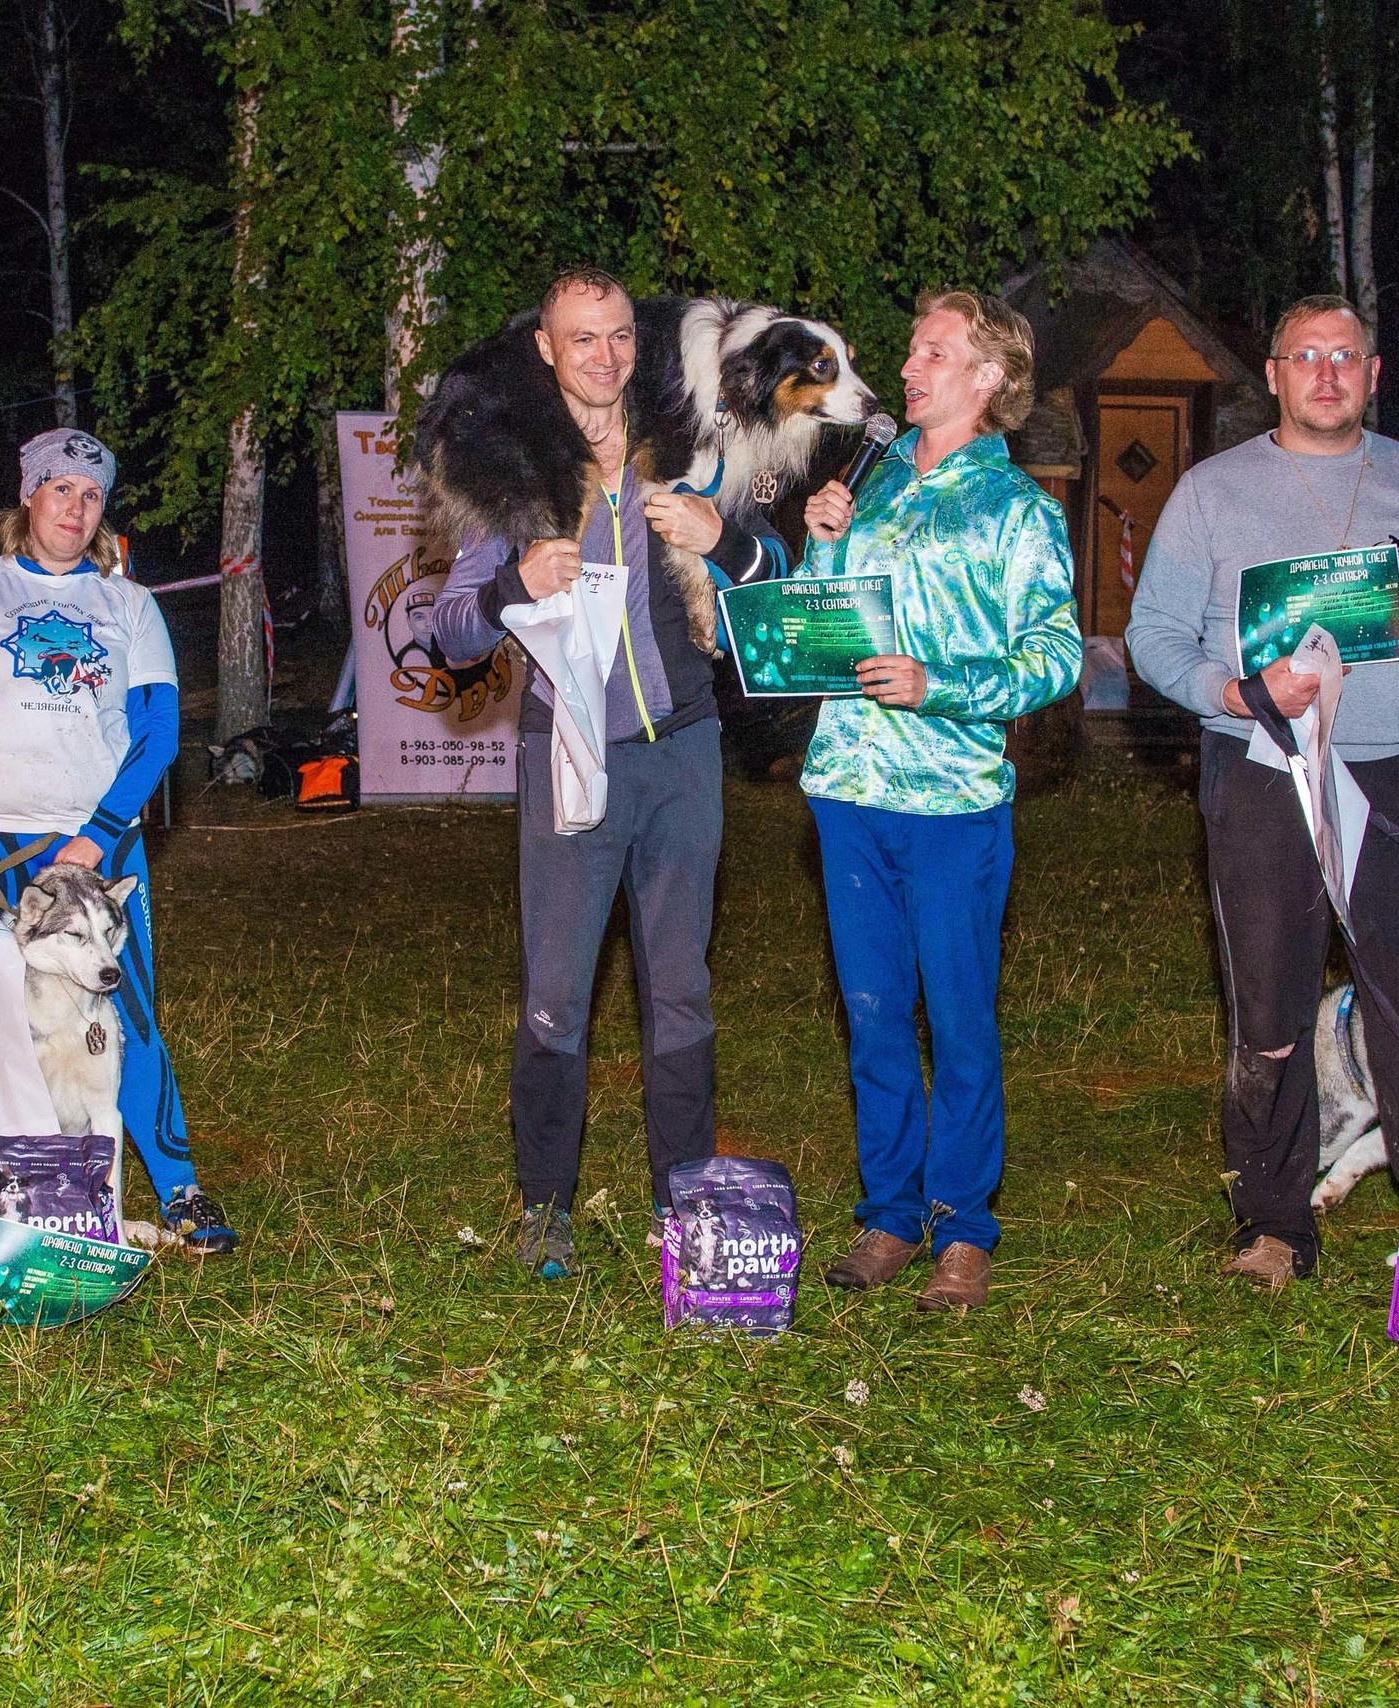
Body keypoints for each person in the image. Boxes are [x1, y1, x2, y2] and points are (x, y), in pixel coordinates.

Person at [1124, 292, 1399, 1290]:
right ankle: (1273, 1220)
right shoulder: (1213, 492)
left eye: (1345, 357)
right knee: (1271, 1012)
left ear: (1373, 375)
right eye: (1305, 356)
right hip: (1261, 772)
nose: (1326, 374)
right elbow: (1153, 636)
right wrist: (1238, 692)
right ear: (1274, 375)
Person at [430, 267, 786, 1277]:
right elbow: (449, 631)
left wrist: (728, 541)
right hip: (568, 758)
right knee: (556, 988)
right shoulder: (513, 470)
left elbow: (780, 580)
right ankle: (545, 1207)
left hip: (682, 752)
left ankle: (687, 1209)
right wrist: (510, 581)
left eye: (621, 336)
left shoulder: (690, 447)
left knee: (681, 988)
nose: (605, 358)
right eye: (582, 339)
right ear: (545, 349)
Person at [798, 290, 1082, 1312]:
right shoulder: (866, 489)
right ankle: (888, 1212)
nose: (907, 370)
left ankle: (964, 1225)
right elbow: (818, 630)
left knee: (957, 1019)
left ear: (988, 378)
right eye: (910, 350)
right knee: (873, 1015)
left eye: (932, 353)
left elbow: (1051, 657)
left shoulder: (1017, 511)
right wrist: (819, 542)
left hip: (953, 801)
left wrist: (940, 681)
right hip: (846, 791)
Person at [0, 428, 238, 1268]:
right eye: (61, 492)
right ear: (30, 496)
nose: (75, 510)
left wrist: (98, 836)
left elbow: (158, 734)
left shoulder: (129, 606)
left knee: (125, 1013)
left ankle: (182, 1189)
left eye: (90, 497)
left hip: (98, 840)